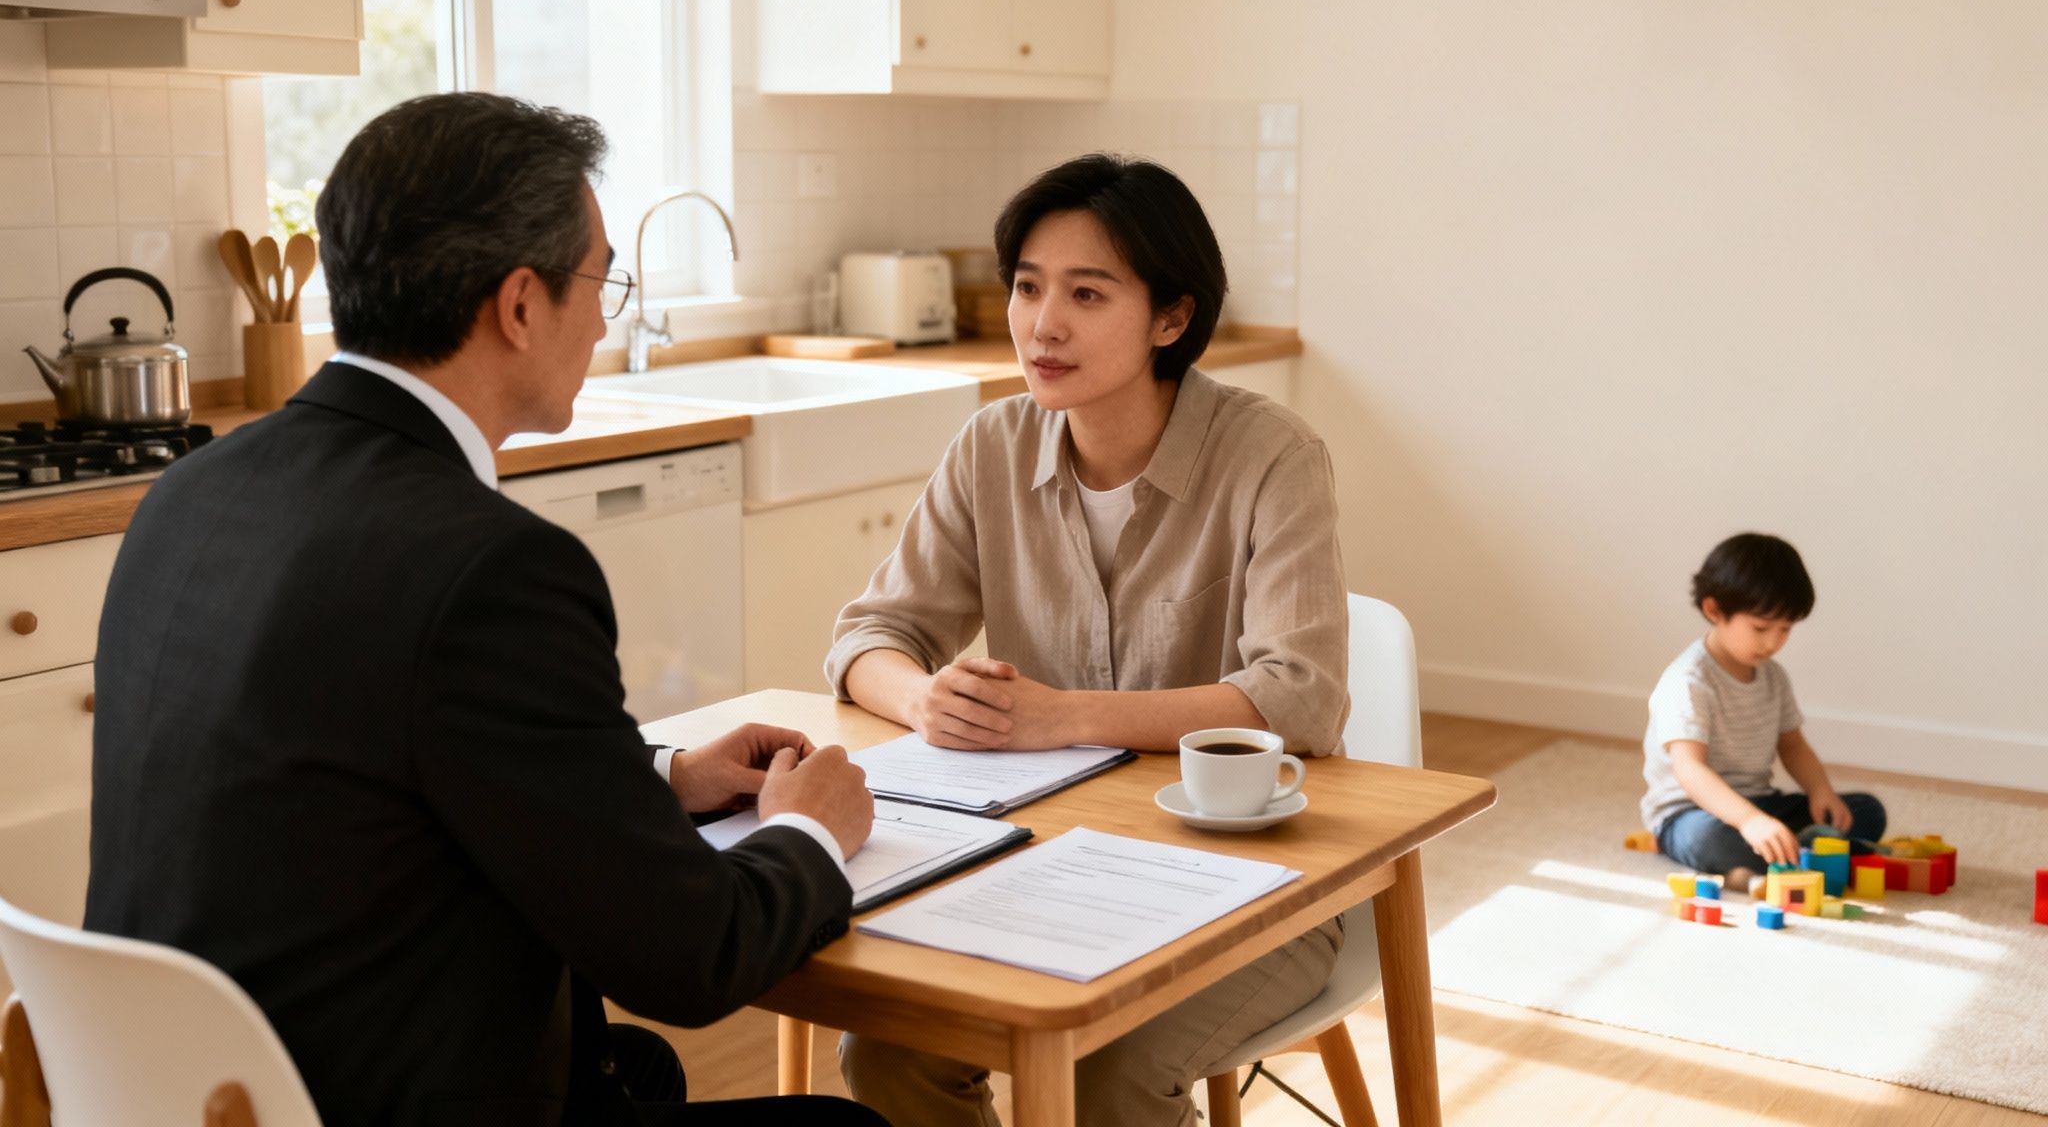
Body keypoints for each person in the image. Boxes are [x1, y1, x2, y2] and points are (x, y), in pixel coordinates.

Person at [85, 93, 886, 1127]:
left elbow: (355, 763)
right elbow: (693, 960)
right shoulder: (490, 567)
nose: (604, 316)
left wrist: (656, 779)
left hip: (192, 1091)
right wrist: (809, 837)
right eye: (601, 280)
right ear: (518, 305)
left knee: (631, 1071)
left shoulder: (194, 487)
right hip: (370, 1095)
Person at [826, 154, 1351, 1126]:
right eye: (1025, 288)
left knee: (1106, 1071)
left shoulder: (1272, 456)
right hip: (1040, 864)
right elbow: (870, 635)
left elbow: (1298, 696)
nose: (1041, 324)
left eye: (1084, 293)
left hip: (1257, 881)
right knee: (887, 1052)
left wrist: (1061, 717)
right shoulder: (988, 445)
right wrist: (919, 697)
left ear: (1169, 318)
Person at [1640, 533, 1887, 894]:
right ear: (1714, 611)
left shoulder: (1773, 676)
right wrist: (1750, 821)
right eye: (1760, 628)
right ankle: (1785, 854)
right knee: (1718, 841)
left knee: (1866, 811)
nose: (1773, 642)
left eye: (1785, 629)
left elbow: (1793, 745)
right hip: (1689, 813)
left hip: (1758, 802)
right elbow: (1690, 769)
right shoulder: (1688, 681)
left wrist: (1820, 791)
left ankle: (1787, 851)